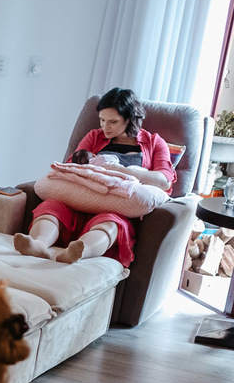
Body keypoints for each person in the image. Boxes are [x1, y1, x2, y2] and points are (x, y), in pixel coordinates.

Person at [14, 87, 175, 265]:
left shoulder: (154, 143)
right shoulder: (94, 137)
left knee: (111, 223)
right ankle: (38, 245)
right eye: (102, 120)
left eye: (112, 122)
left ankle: (79, 251)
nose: (105, 127)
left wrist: (123, 170)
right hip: (80, 202)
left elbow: (164, 180)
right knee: (51, 208)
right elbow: (71, 168)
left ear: (129, 120)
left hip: (116, 208)